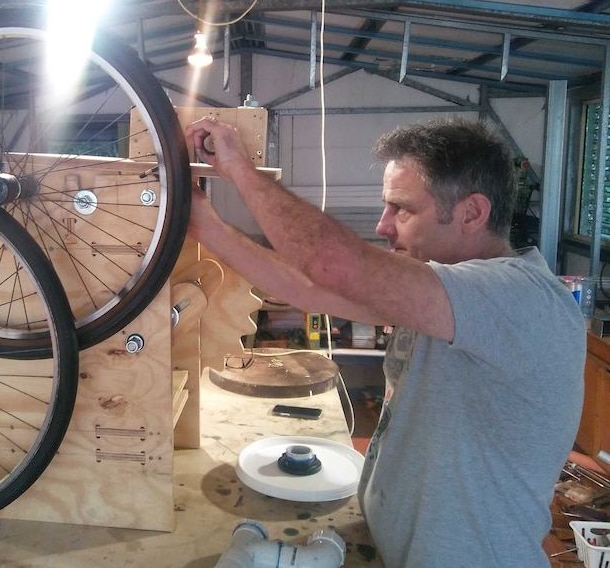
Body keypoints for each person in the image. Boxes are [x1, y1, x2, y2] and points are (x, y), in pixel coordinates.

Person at [184, 115, 586, 568]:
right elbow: (309, 287)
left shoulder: (518, 298)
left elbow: (332, 265)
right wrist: (207, 226)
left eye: (403, 209)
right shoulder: (439, 291)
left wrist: (239, 168)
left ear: (472, 212)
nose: (382, 225)